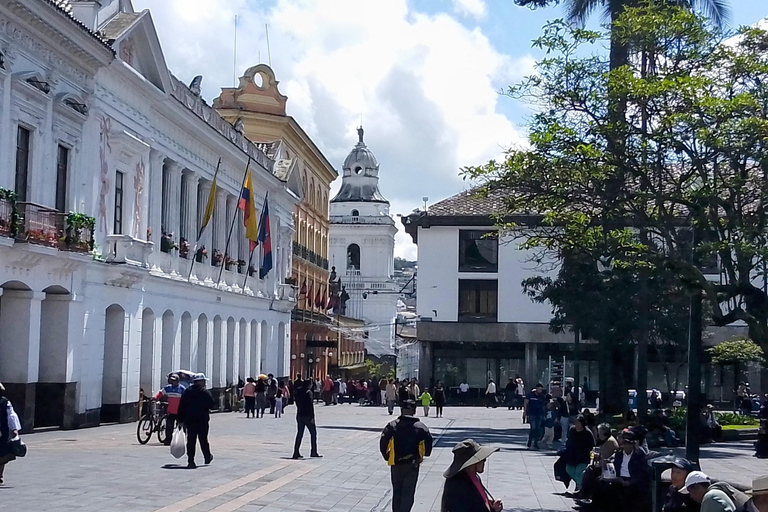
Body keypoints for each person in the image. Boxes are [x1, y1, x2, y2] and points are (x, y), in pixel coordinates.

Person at [380, 399, 433, 512]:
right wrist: (424, 455)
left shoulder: (392, 425)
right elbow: (428, 444)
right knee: (408, 493)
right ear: (414, 411)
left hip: (396, 463)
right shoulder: (421, 427)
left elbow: (383, 441)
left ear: (401, 410)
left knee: (397, 491)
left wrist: (386, 455)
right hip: (412, 464)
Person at [441, 439, 503, 512]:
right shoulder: (457, 483)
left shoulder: (474, 477)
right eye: (483, 459)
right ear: (473, 462)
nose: (485, 461)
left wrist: (492, 508)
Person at [177, 373, 215, 469]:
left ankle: (191, 460)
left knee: (191, 440)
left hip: (189, 420)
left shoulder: (187, 392)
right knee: (203, 439)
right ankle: (207, 456)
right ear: (201, 382)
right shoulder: (205, 392)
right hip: (202, 420)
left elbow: (181, 406)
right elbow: (212, 404)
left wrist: (180, 420)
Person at [682, 471, 749, 512]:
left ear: (697, 488)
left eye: (690, 491)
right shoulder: (716, 493)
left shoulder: (710, 497)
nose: (690, 496)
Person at [292, 375, 321, 459]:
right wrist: (312, 417)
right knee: (313, 433)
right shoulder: (308, 393)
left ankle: (296, 452)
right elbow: (309, 406)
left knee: (299, 434)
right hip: (307, 416)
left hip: (299, 414)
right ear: (309, 385)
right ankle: (313, 451)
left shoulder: (298, 392)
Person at [563, 415, 595, 492]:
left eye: (579, 423)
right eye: (576, 423)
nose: (577, 425)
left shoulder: (587, 433)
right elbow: (569, 442)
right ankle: (579, 484)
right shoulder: (572, 430)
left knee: (578, 471)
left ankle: (580, 487)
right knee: (569, 469)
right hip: (572, 456)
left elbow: (591, 445)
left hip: (583, 457)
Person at [154, 373, 186, 445]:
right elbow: (160, 393)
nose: (173, 382)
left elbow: (186, 397)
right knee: (169, 426)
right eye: (172, 380)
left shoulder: (182, 389)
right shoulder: (168, 388)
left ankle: (180, 440)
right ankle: (168, 439)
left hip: (180, 411)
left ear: (178, 381)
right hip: (170, 411)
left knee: (180, 426)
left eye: (174, 380)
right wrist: (155, 397)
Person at [0, 382, 22, 485]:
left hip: (2, 431)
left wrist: (14, 429)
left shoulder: (4, 402)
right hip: (3, 431)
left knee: (2, 453)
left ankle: (0, 475)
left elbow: (11, 415)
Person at [524, 384, 546, 449]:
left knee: (538, 429)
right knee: (533, 428)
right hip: (532, 413)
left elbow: (544, 405)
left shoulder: (542, 396)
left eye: (541, 389)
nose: (540, 390)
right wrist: (525, 412)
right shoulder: (530, 395)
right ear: (536, 388)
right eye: (539, 389)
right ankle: (530, 440)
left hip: (539, 414)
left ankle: (536, 443)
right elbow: (526, 403)